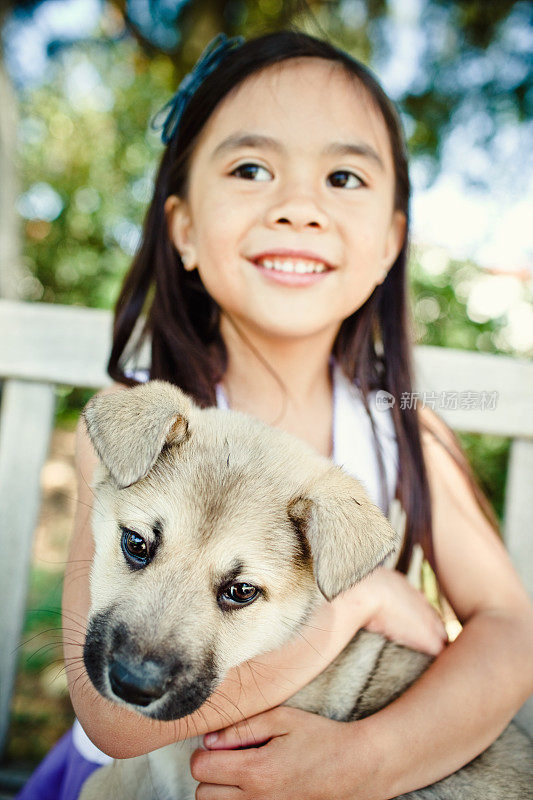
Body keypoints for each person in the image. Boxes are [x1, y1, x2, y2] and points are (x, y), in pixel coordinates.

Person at [18, 29, 533, 800]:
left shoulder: (408, 430)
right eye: (251, 168)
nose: (297, 208)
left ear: (391, 243)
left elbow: (511, 629)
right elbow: (118, 719)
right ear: (183, 226)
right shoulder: (140, 427)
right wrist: (355, 597)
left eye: (343, 177)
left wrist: (367, 761)